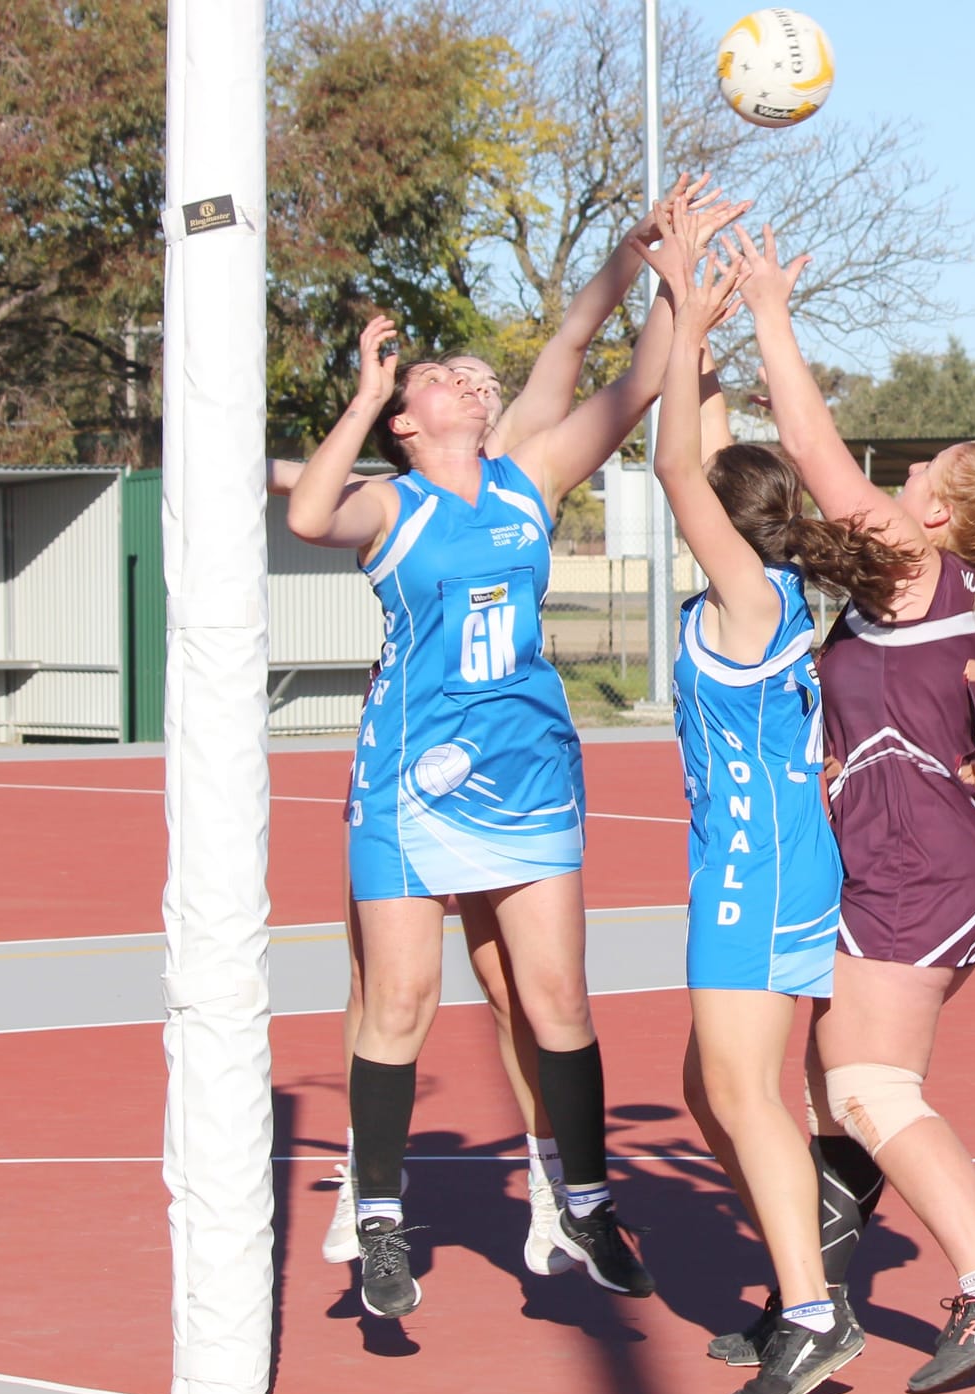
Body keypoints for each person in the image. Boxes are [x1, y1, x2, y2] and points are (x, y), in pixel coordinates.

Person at [272, 177, 747, 1281]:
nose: (464, 377)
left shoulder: (528, 479)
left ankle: (583, 1203)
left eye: (470, 373)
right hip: (412, 781)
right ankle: (378, 1214)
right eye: (439, 374)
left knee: (556, 999)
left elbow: (633, 379)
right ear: (406, 420)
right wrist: (366, 393)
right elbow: (306, 513)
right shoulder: (391, 504)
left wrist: (663, 265)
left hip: (530, 772)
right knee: (398, 996)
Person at [719, 221, 975, 1394]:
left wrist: (769, 310)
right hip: (902, 855)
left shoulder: (916, 570)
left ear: (939, 517)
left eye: (921, 475)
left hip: (920, 862)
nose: (901, 477)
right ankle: (805, 1295)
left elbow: (811, 448)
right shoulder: (910, 588)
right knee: (830, 1085)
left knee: (867, 1087)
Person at [635, 202, 916, 1394]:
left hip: (751, 872)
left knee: (742, 1093)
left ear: (725, 525)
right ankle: (807, 1254)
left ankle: (810, 1312)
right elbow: (704, 449)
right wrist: (690, 301)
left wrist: (683, 311)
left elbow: (672, 465)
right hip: (782, 861)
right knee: (715, 1090)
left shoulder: (746, 598)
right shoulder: (775, 581)